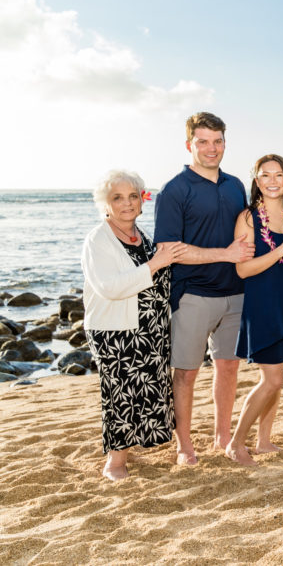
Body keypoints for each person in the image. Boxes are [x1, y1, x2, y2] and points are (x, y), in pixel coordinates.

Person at [155, 112, 254, 465]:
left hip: (236, 292)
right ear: (189, 145)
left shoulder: (235, 185)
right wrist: (224, 253)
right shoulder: (174, 190)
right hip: (193, 294)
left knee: (229, 367)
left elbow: (246, 237)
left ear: (225, 143)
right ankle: (184, 446)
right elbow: (167, 250)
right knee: (186, 372)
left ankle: (222, 436)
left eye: (217, 141)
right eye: (203, 141)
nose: (211, 148)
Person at [82, 170, 185, 480]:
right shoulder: (98, 239)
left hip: (149, 327)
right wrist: (155, 264)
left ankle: (130, 450)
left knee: (146, 389)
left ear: (142, 200)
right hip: (114, 329)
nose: (126, 203)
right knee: (120, 393)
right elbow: (109, 287)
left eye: (132, 196)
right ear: (106, 204)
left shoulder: (141, 235)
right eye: (117, 197)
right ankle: (115, 462)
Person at [225, 155, 283, 466]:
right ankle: (236, 443)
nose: (273, 181)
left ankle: (264, 440)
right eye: (266, 175)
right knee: (272, 380)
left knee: (279, 374)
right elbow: (243, 270)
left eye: (279, 175)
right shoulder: (248, 218)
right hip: (264, 305)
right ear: (257, 181)